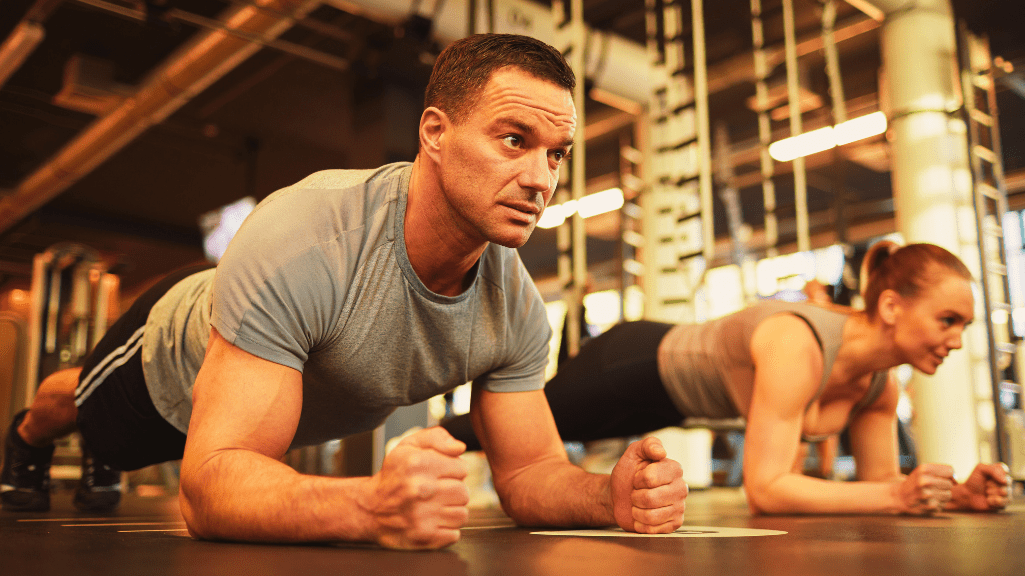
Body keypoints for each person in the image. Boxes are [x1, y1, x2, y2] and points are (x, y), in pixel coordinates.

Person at [0, 33, 688, 548]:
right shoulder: (306, 239)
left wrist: (609, 495)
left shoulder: (514, 314)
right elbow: (210, 487)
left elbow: (529, 471)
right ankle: (25, 437)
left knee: (107, 449)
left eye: (555, 153)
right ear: (435, 134)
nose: (541, 179)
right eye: (514, 140)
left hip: (247, 379)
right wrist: (372, 505)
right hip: (169, 358)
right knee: (79, 407)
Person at [444, 241, 1013, 515]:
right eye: (948, 320)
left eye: (963, 325)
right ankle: (424, 440)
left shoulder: (877, 385)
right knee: (495, 429)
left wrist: (954, 494)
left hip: (673, 403)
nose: (957, 339)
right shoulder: (797, 344)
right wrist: (896, 494)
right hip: (636, 364)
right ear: (890, 307)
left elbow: (884, 484)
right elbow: (765, 489)